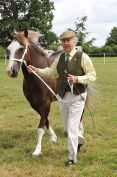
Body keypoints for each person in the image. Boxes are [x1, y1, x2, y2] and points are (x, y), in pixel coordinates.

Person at [27, 30, 96, 166]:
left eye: (68, 40)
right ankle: (78, 139)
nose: (65, 43)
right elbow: (51, 72)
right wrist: (37, 70)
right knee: (67, 128)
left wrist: (78, 78)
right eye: (63, 41)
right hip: (62, 97)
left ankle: (72, 158)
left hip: (78, 96)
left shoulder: (83, 57)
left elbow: (92, 75)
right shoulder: (60, 58)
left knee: (71, 128)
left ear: (74, 41)